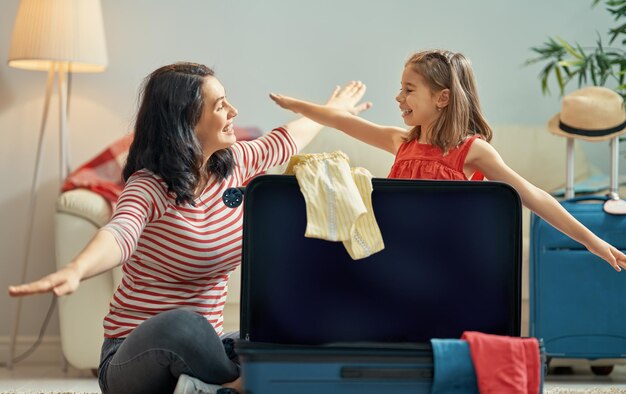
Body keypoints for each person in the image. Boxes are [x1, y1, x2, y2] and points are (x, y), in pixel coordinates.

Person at [7, 62, 372, 394]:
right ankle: (239, 385)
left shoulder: (238, 164)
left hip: (207, 349)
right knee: (183, 324)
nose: (234, 112)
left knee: (281, 332)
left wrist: (331, 112)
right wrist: (76, 269)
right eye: (220, 106)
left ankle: (210, 385)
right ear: (186, 120)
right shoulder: (149, 185)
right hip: (133, 359)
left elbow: (289, 137)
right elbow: (120, 233)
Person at [269, 49, 626, 272]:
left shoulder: (473, 151)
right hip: (395, 252)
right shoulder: (402, 141)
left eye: (409, 89)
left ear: (442, 98)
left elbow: (533, 196)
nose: (398, 97)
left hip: (444, 258)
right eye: (401, 87)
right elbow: (342, 121)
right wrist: (295, 105)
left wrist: (592, 242)